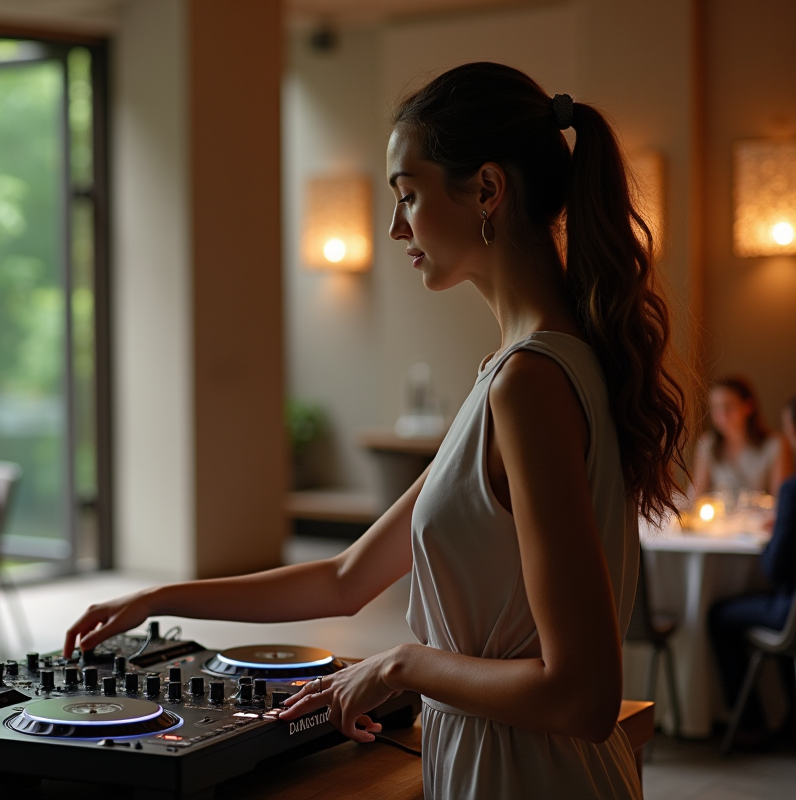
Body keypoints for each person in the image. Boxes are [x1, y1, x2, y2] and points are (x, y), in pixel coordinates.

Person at [64, 63, 690, 799]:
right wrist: (157, 598)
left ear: (488, 189)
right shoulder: (521, 373)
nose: (396, 227)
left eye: (409, 195)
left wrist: (399, 664)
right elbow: (347, 577)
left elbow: (582, 696)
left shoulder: (530, 383)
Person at [708, 395, 796, 746]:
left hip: (790, 612)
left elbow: (775, 568)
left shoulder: (792, 489)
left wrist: (777, 535)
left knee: (717, 616)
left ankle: (751, 722)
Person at [690, 375, 791, 500]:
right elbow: (697, 494)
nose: (722, 414)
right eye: (716, 407)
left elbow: (781, 499)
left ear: (748, 406)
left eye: (728, 406)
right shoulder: (707, 444)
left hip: (761, 513)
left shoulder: (775, 445)